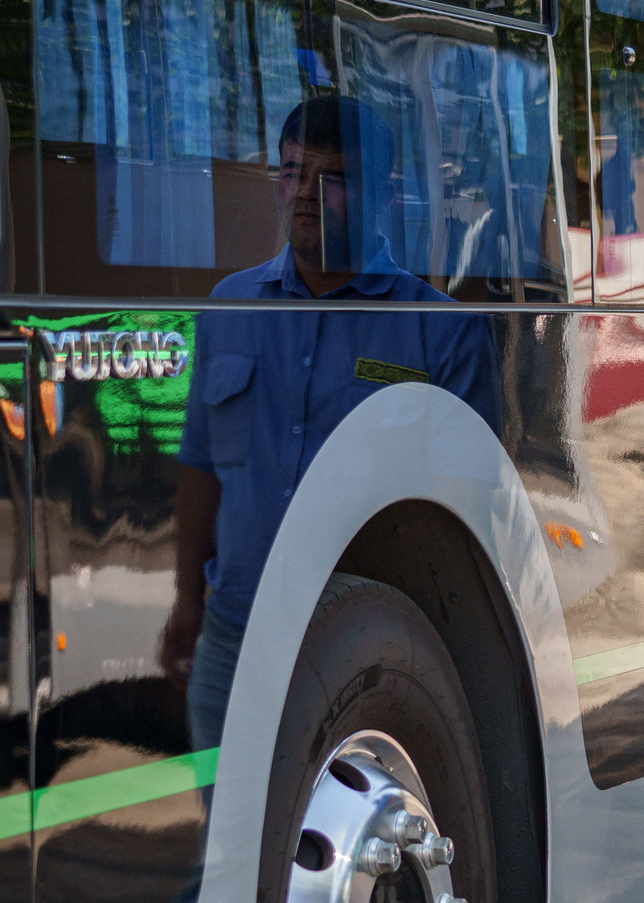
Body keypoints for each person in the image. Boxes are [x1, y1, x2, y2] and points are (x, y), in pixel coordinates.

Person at [162, 94, 499, 749]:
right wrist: (184, 602)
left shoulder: (439, 330)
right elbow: (202, 465)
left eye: (333, 179)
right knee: (226, 844)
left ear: (383, 194)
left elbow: (464, 513)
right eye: (291, 173)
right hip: (236, 641)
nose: (306, 195)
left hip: (368, 646)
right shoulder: (232, 307)